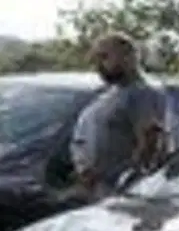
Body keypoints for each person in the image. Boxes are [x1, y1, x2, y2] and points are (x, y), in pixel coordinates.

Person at [70, 33, 171, 199]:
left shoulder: (142, 92)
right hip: (101, 192)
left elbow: (150, 144)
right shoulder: (113, 93)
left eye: (104, 57)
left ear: (129, 57)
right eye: (96, 59)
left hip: (125, 195)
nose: (98, 65)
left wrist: (121, 179)